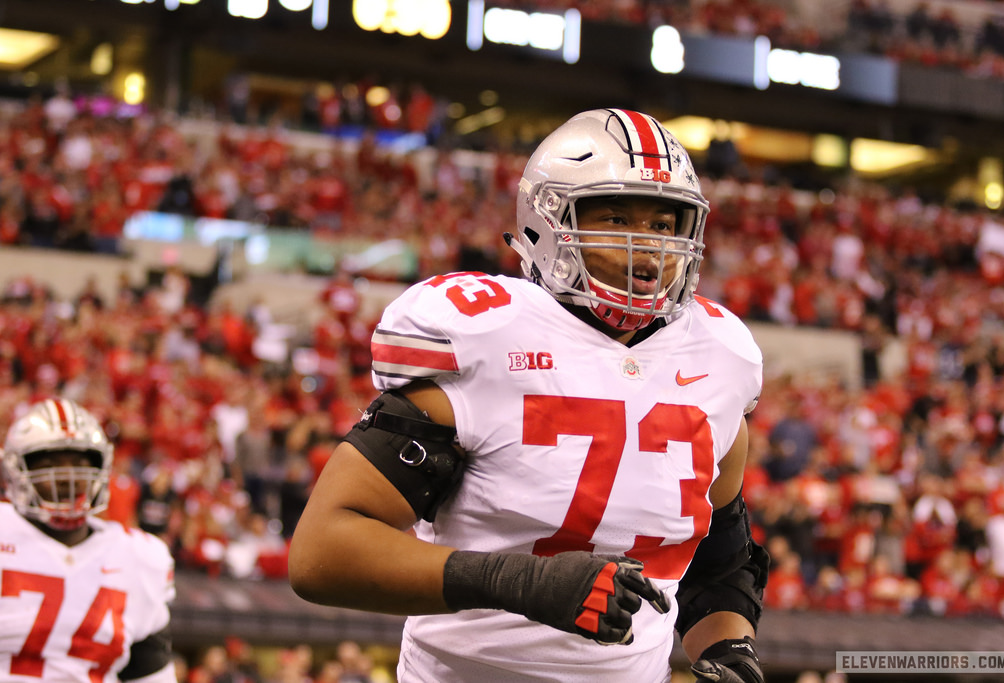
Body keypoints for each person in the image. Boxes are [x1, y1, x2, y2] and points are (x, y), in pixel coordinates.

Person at [289, 108, 769, 683]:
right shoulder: (486, 338)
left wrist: (728, 651)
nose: (648, 246)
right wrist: (520, 582)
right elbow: (322, 552)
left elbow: (719, 558)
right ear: (546, 223)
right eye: (616, 219)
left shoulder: (717, 357)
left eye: (664, 225)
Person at [0, 397, 177, 682]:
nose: (67, 477)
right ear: (16, 471)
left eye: (80, 463)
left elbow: (151, 674)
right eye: (49, 463)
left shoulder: (137, 556)